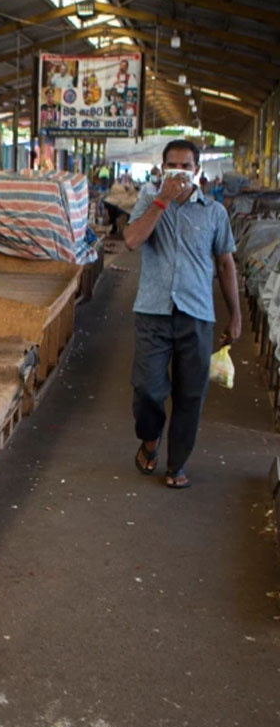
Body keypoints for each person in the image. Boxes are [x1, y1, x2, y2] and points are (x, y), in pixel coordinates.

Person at [124, 139, 241, 489]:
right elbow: (131, 240)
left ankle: (177, 465)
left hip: (196, 314)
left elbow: (225, 263)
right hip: (153, 311)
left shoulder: (214, 213)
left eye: (186, 166)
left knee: (191, 394)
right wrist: (162, 201)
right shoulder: (149, 202)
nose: (179, 172)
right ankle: (150, 438)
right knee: (147, 389)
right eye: (172, 166)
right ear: (162, 170)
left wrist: (235, 316)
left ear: (197, 172)